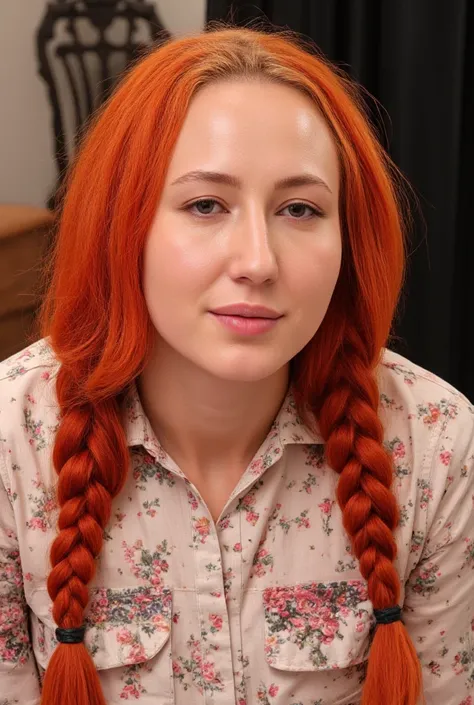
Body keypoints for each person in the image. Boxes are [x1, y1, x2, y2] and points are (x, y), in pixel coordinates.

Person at [0, 23, 473, 705]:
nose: (257, 261)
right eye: (204, 204)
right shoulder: (13, 444)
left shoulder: (436, 444)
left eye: (301, 208)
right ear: (120, 224)